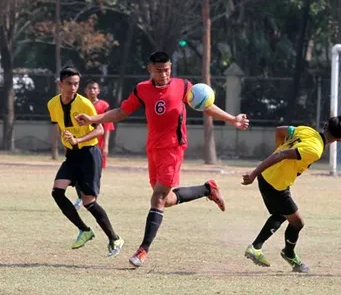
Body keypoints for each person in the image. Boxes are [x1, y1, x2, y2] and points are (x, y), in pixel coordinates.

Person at [75, 51, 250, 268]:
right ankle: (207, 189)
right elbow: (121, 112)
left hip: (173, 148)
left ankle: (142, 250)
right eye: (159, 70)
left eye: (167, 69)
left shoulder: (183, 86)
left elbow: (206, 106)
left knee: (157, 198)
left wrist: (232, 119)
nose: (164, 74)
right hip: (153, 149)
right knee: (165, 200)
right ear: (150, 69)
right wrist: (92, 118)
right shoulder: (142, 89)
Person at [241, 116, 341, 273]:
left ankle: (260, 248)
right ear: (340, 139)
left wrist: (275, 152)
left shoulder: (306, 130)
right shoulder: (315, 149)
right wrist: (253, 172)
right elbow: (283, 154)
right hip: (276, 184)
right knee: (297, 222)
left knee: (280, 214)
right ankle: (280, 252)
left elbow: (279, 131)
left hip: (267, 177)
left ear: (325, 125)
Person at [47, 66, 124, 257]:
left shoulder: (84, 104)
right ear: (60, 84)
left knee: (89, 201)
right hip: (72, 155)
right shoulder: (52, 104)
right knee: (57, 192)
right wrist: (67, 144)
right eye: (69, 84)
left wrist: (78, 140)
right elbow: (59, 127)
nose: (73, 88)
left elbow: (100, 131)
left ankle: (114, 238)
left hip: (89, 154)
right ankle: (85, 230)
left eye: (76, 84)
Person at [74, 80, 115, 210]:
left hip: (98, 142)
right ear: (85, 90)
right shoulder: (80, 104)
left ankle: (92, 197)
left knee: (95, 172)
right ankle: (81, 196)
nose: (92, 91)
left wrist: (106, 145)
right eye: (89, 88)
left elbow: (107, 126)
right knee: (77, 172)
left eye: (94, 88)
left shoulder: (104, 105)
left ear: (98, 91)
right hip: (82, 141)